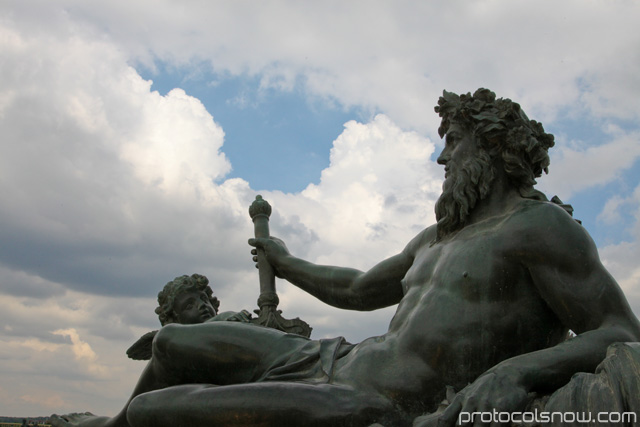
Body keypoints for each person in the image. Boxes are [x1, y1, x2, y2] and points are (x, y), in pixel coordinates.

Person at [57, 89, 640, 427]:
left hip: (371, 404)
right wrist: (284, 261)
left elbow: (619, 329)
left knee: (156, 413)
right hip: (334, 358)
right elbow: (360, 288)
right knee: (169, 343)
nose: (441, 158)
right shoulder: (437, 237)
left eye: (453, 141)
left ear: (490, 147)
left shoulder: (541, 227)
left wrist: (516, 369)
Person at [50, 273, 250, 427]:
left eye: (204, 299)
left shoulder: (224, 333)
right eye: (190, 305)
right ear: (174, 319)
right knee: (127, 417)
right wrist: (226, 319)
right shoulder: (173, 345)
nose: (202, 306)